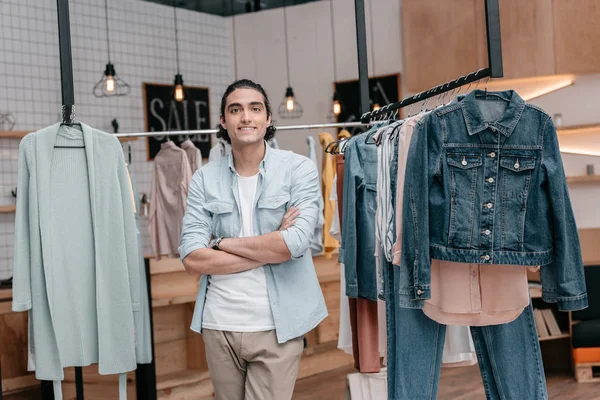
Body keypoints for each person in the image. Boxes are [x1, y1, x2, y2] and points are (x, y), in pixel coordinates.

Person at [179, 79, 327, 400]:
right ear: (223, 121)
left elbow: (295, 243)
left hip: (277, 325)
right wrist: (271, 245)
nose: (245, 117)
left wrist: (221, 243)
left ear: (268, 119)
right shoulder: (205, 178)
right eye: (236, 110)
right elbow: (192, 259)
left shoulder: (298, 169)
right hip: (218, 323)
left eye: (254, 108)